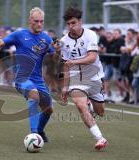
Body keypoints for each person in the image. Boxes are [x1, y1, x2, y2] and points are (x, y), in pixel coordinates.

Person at [0, 7, 56, 142]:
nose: (40, 24)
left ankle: (40, 131)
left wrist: (59, 53)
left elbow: (56, 58)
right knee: (33, 94)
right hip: (22, 78)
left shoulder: (46, 39)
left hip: (38, 80)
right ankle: (34, 135)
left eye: (42, 21)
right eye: (36, 21)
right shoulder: (19, 35)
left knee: (48, 110)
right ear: (30, 20)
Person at [57, 7, 108, 150]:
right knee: (80, 105)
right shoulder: (63, 41)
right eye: (68, 24)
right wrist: (65, 87)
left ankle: (91, 105)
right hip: (76, 79)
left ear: (80, 21)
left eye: (73, 23)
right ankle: (100, 138)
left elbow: (92, 58)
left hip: (94, 76)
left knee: (101, 112)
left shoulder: (91, 35)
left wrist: (75, 61)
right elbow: (66, 66)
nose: (71, 26)